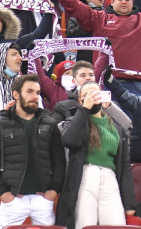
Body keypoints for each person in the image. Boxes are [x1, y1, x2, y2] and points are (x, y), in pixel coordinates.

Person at [0, 74, 66, 228]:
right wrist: (4, 193)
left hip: (43, 200)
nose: (35, 97)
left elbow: (59, 161)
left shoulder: (50, 123)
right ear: (16, 94)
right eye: (30, 91)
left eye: (38, 93)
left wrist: (53, 191)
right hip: (13, 200)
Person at [56, 80, 135, 228]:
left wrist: (129, 204)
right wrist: (84, 109)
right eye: (87, 95)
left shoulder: (116, 127)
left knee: (116, 224)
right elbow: (69, 141)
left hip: (110, 179)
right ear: (81, 100)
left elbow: (125, 166)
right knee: (84, 224)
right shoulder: (74, 121)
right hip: (85, 176)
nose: (92, 98)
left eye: (95, 94)